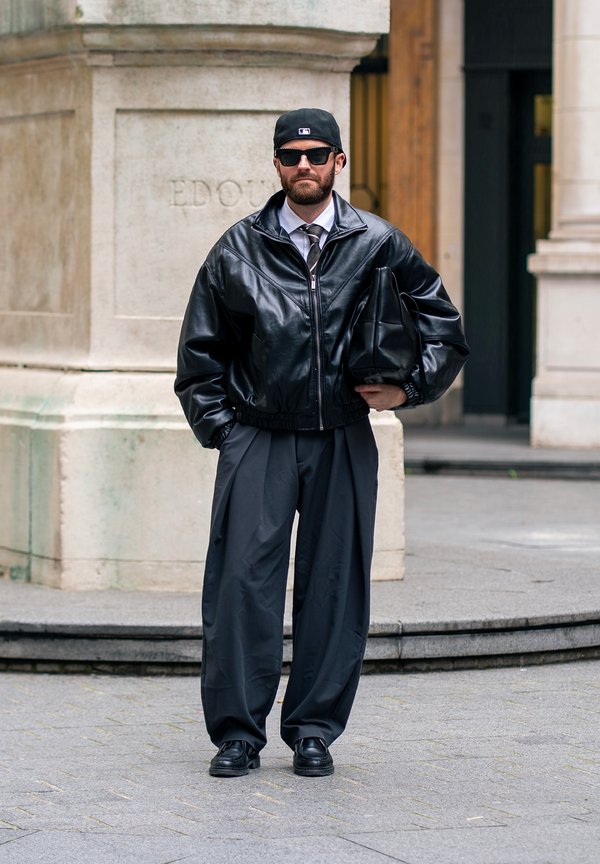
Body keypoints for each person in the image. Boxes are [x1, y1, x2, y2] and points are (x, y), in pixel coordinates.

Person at [175, 108, 468, 778]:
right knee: (242, 587)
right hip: (259, 437)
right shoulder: (237, 248)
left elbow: (443, 331)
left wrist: (408, 391)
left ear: (339, 162)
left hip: (341, 436)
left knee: (334, 585)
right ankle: (238, 734)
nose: (302, 165)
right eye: (290, 155)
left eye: (316, 154)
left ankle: (313, 730)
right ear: (276, 166)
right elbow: (199, 355)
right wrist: (227, 432)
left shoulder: (378, 243)